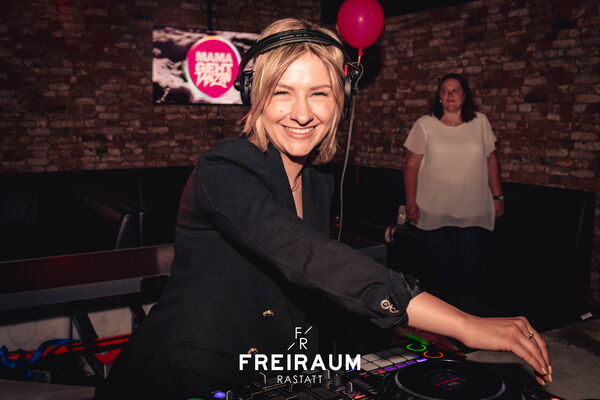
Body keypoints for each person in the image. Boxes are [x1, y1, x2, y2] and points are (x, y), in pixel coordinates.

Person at [96, 20, 549, 400]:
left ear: (341, 100)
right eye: (282, 92)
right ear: (255, 95)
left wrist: (401, 330)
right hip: (183, 377)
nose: (302, 113)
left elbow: (312, 295)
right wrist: (465, 323)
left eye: (319, 93)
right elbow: (310, 258)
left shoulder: (317, 181)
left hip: (272, 375)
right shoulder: (224, 169)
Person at [403, 73, 504, 315]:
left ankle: (470, 327)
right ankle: (441, 328)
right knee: (439, 279)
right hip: (435, 212)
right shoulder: (425, 124)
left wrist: (498, 197)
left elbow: (491, 160)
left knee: (471, 277)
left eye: (455, 90)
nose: (450, 95)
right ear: (439, 97)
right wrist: (410, 202)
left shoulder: (480, 122)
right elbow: (411, 166)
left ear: (464, 96)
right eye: (445, 91)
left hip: (474, 212)